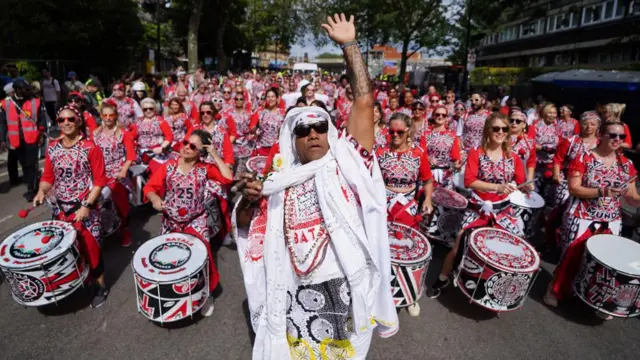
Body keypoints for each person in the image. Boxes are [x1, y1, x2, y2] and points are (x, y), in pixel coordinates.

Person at [233, 14, 398, 359]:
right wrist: (249, 202)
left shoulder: (348, 163)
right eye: (302, 130)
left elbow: (365, 103)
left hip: (343, 288)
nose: (312, 134)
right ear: (290, 140)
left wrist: (350, 45)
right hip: (292, 293)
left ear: (329, 131)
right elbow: (251, 232)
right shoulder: (276, 182)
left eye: (319, 126)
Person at [427, 113, 530, 298]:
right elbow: (469, 181)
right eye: (496, 128)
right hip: (478, 207)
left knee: (510, 249)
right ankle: (443, 277)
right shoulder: (476, 152)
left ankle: (493, 288)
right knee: (460, 242)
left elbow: (522, 182)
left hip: (503, 209)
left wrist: (525, 186)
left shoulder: (513, 157)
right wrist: (497, 186)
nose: (500, 132)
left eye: (504, 129)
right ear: (488, 130)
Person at [544, 122, 640, 319]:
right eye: (613, 135)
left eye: (622, 137)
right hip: (582, 215)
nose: (618, 140)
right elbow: (574, 188)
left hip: (611, 218)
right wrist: (601, 191)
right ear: (601, 135)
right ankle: (553, 290)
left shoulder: (626, 165)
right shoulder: (584, 158)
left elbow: (631, 196)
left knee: (606, 262)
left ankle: (598, 298)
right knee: (571, 255)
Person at [144, 129, 233, 317]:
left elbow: (227, 178)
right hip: (171, 220)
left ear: (201, 152)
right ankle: (170, 294)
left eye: (193, 146)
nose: (186, 148)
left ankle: (207, 292)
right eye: (186, 142)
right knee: (167, 260)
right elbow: (150, 187)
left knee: (202, 258)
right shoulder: (168, 166)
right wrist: (154, 199)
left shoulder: (204, 169)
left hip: (196, 221)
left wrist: (215, 155)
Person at [33, 105, 109, 307]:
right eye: (61, 120)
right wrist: (42, 191)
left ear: (79, 122)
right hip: (61, 208)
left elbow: (100, 181)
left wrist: (86, 206)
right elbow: (48, 176)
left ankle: (100, 285)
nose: (66, 123)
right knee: (61, 248)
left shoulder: (91, 148)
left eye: (71, 119)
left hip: (85, 208)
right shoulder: (53, 148)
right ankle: (69, 282)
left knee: (91, 249)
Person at [547, 110, 600, 246]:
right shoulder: (570, 141)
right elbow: (558, 159)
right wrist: (556, 174)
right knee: (559, 210)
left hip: (591, 185)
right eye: (585, 124)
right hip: (568, 181)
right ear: (580, 124)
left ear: (598, 126)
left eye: (593, 124)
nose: (589, 128)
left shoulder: (601, 144)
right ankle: (552, 240)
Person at [92, 103, 136, 247]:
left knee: (120, 202)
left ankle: (125, 230)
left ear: (116, 115)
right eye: (105, 115)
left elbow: (130, 156)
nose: (108, 118)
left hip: (117, 173)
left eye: (111, 115)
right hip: (99, 173)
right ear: (101, 116)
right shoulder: (95, 134)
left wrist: (123, 170)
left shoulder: (124, 134)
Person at [0, 79, 47, 200]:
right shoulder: (6, 104)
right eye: (25, 89)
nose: (28, 91)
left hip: (32, 137)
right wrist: (2, 140)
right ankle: (32, 181)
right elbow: (2, 123)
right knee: (24, 164)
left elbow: (42, 119)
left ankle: (31, 189)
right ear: (17, 90)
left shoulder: (36, 101)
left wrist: (41, 134)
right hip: (16, 139)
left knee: (31, 163)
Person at [528, 103, 560, 206]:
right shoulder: (535, 125)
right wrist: (544, 148)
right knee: (535, 194)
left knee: (550, 197)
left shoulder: (557, 126)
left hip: (552, 165)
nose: (552, 115)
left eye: (554, 113)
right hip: (537, 164)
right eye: (550, 112)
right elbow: (530, 143)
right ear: (544, 113)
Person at [423, 105, 461, 189]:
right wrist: (428, 158)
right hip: (429, 173)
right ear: (433, 116)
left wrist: (457, 164)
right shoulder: (425, 134)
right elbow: (421, 153)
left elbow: (455, 156)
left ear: (447, 118)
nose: (440, 117)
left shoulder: (452, 135)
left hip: (446, 175)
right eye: (438, 114)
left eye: (443, 115)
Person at [189, 101, 234, 167]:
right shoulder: (195, 128)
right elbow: (185, 145)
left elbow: (228, 154)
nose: (205, 115)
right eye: (202, 113)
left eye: (208, 112)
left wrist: (226, 169)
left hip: (217, 167)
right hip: (198, 167)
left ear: (213, 112)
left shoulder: (221, 131)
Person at [249, 88, 285, 156]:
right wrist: (255, 129)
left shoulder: (283, 113)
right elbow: (251, 129)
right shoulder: (260, 112)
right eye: (268, 97)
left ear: (277, 98)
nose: (270, 99)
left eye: (272, 96)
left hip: (277, 148)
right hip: (261, 148)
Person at [509, 108, 536, 183]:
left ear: (524, 125)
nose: (514, 123)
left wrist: (529, 179)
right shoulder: (502, 138)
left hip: (522, 181)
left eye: (518, 121)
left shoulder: (529, 142)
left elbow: (531, 162)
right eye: (511, 120)